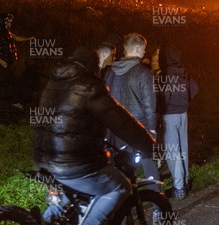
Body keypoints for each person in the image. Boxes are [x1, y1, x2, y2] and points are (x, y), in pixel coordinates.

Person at [34, 47, 156, 225]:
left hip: (44, 158)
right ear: (92, 66)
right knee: (120, 187)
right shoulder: (89, 86)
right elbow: (121, 122)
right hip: (73, 162)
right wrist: (148, 145)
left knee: (66, 201)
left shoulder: (54, 82)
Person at [104, 33, 160, 191]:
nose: (144, 52)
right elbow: (149, 105)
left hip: (116, 128)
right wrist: (152, 129)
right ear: (136, 49)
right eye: (143, 48)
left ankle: (124, 205)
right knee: (149, 166)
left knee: (122, 168)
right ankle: (158, 207)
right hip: (138, 128)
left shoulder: (109, 72)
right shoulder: (143, 72)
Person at [156, 44, 199, 199]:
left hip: (170, 116)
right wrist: (185, 100)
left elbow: (163, 96)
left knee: (173, 151)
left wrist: (162, 109)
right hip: (183, 114)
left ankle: (179, 187)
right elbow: (195, 87)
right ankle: (185, 181)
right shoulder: (183, 71)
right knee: (183, 148)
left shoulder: (165, 74)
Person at [0, 13, 35, 109]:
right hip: (2, 63)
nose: (10, 23)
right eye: (9, 21)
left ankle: (15, 102)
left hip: (7, 63)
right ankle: (14, 102)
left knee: (14, 81)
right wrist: (1, 61)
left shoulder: (7, 31)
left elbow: (15, 38)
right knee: (14, 81)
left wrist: (29, 38)